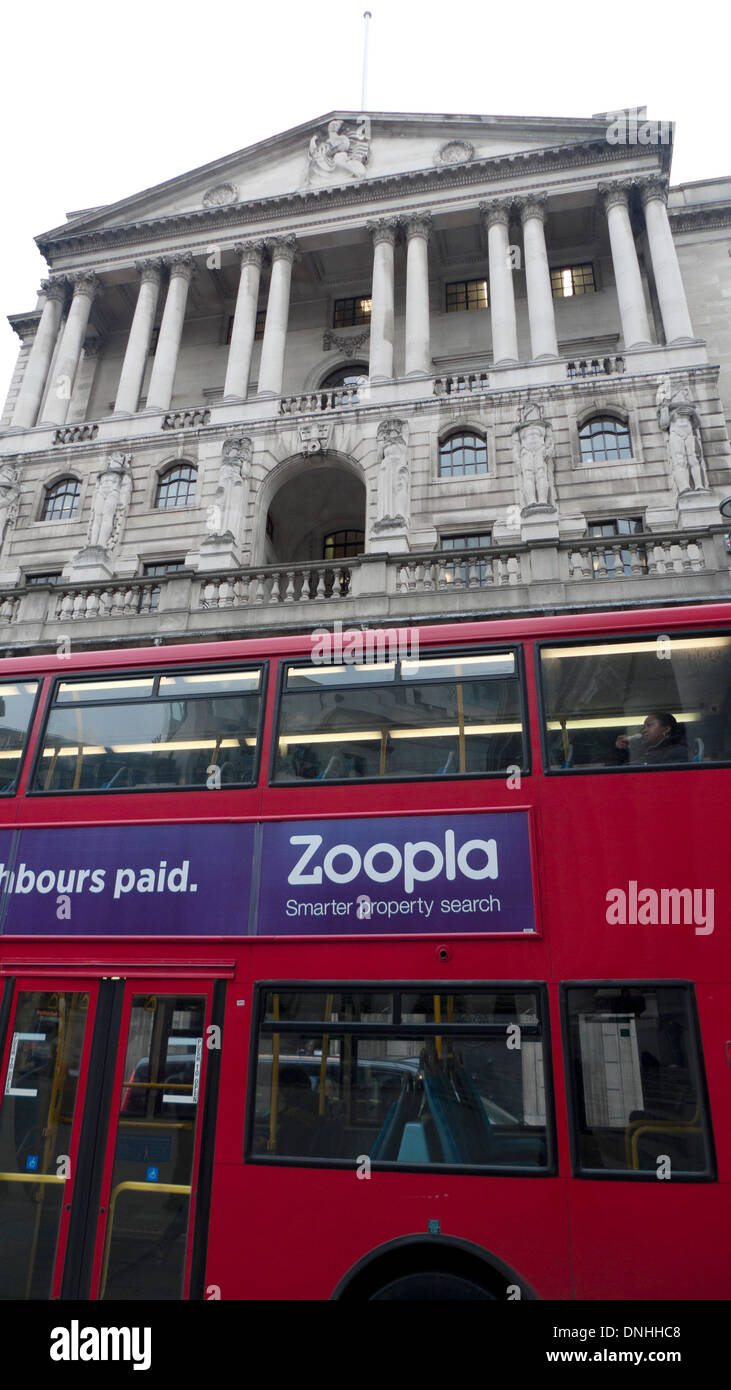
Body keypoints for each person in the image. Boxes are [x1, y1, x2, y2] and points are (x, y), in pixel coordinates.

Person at [615, 711, 687, 765]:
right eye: (644, 727)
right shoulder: (645, 751)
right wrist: (624, 750)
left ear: (666, 729)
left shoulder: (676, 752)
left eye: (649, 725)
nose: (644, 731)